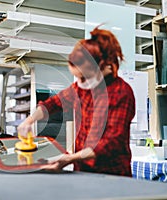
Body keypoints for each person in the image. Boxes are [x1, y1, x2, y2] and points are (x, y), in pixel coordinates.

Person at [17, 26, 136, 177]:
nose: (79, 82)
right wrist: (29, 120)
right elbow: (53, 104)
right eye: (76, 77)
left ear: (104, 66)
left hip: (112, 174)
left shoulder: (121, 93)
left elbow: (109, 143)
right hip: (82, 171)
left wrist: (69, 158)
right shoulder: (79, 89)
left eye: (84, 77)